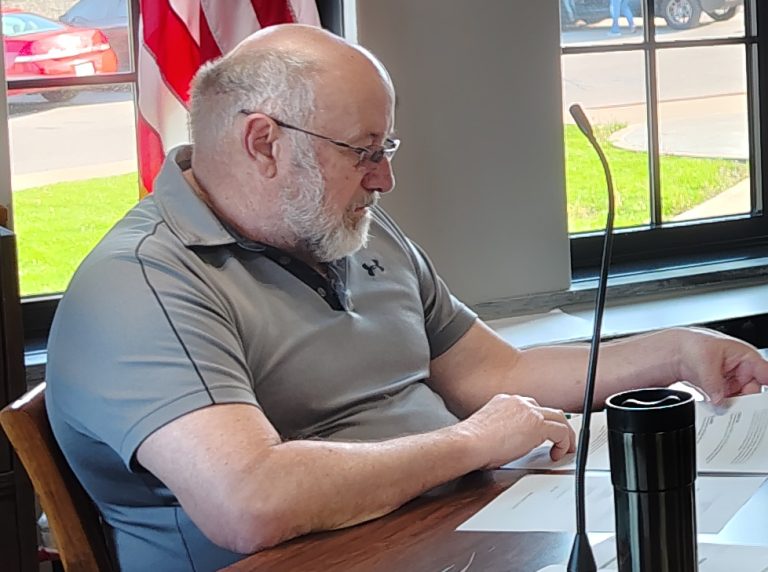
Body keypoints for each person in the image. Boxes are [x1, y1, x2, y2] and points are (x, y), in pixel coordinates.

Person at [45, 24, 768, 572]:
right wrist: (471, 443)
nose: (383, 179)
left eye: (385, 150)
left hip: (455, 530)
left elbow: (495, 375)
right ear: (263, 142)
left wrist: (674, 353)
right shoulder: (143, 283)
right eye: (362, 151)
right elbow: (251, 502)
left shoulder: (341, 225)